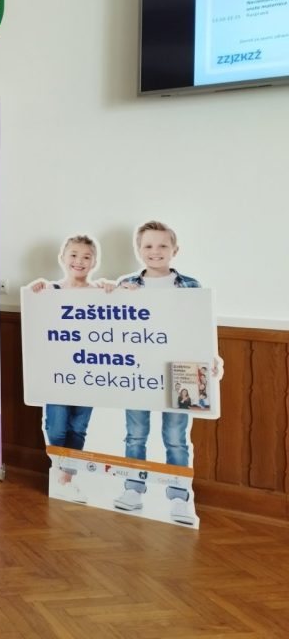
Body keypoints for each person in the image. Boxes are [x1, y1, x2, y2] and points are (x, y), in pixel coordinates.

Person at [113, 220, 203, 525]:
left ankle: (179, 497)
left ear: (175, 249)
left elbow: (199, 328)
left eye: (163, 245)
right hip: (137, 369)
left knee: (176, 437)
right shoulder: (126, 284)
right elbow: (110, 325)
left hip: (180, 371)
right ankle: (133, 489)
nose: (155, 251)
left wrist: (211, 358)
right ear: (138, 250)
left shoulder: (190, 285)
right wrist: (117, 294)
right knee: (135, 434)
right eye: (148, 245)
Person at [30, 235, 109, 504]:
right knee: (56, 427)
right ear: (62, 258)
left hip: (89, 373)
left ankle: (66, 480)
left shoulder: (100, 292)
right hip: (57, 374)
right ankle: (59, 468)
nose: (79, 261)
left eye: (86, 257)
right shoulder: (49, 291)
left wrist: (112, 290)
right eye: (73, 255)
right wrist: (36, 292)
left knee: (78, 427)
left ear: (94, 262)